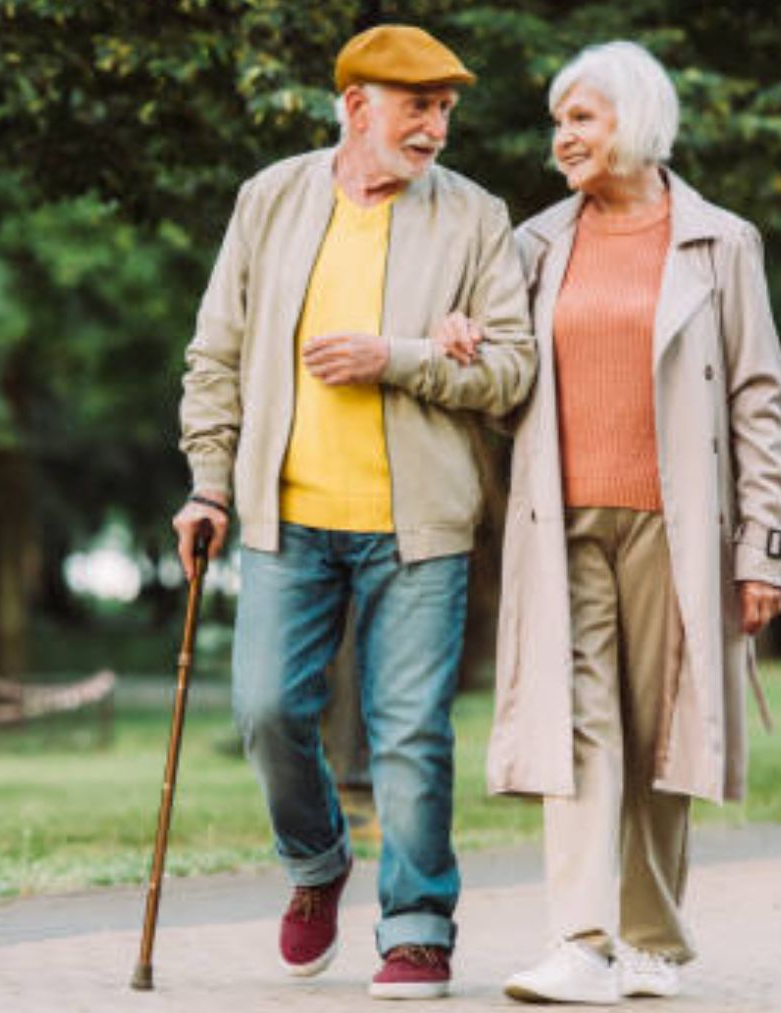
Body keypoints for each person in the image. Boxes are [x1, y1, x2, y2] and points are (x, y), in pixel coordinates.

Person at [172, 23, 536, 1001]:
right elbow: (216, 353)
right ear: (356, 105)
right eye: (417, 106)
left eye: (446, 109)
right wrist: (210, 481)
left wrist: (404, 357)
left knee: (411, 730)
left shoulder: (474, 217)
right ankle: (317, 858)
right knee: (265, 711)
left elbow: (512, 374)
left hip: (418, 529)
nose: (436, 128)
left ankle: (417, 925)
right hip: (285, 523)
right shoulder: (273, 200)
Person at [442, 40, 781, 1004]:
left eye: (582, 119)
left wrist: (761, 545)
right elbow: (502, 384)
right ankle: (579, 939)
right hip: (559, 521)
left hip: (677, 524)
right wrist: (462, 343)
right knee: (578, 727)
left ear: (636, 123)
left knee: (663, 732)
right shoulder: (530, 245)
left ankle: (654, 942)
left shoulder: (721, 243)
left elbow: (757, 400)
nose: (561, 137)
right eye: (558, 120)